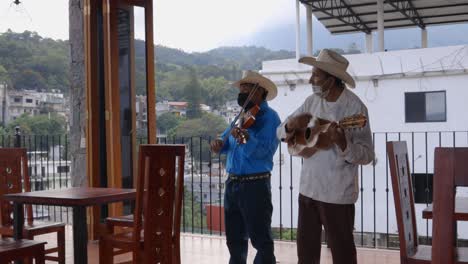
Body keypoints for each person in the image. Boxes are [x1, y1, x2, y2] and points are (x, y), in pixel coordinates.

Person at [277, 49, 375, 264]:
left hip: (337, 194)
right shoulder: (311, 102)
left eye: (317, 75)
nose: (311, 79)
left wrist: (343, 143)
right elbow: (280, 132)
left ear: (332, 80)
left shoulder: (355, 109)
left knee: (343, 255)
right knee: (306, 254)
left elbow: (367, 155)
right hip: (308, 190)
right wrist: (290, 126)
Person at [210, 71, 281, 264]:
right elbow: (225, 141)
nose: (242, 92)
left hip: (255, 184)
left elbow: (264, 152)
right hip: (233, 183)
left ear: (260, 91)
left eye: (247, 89)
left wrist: (247, 139)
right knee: (234, 239)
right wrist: (218, 143)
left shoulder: (270, 118)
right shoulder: (241, 115)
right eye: (241, 89)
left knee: (261, 238)